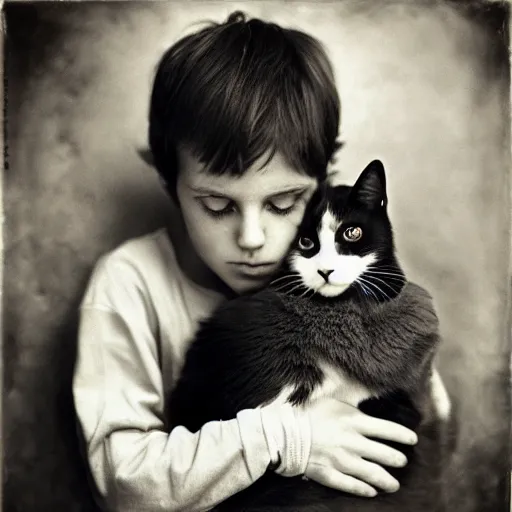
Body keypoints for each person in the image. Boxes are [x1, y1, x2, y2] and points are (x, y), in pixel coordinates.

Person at [73, 11, 418, 512]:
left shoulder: (346, 271)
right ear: (172, 185)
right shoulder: (130, 283)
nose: (252, 238)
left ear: (322, 183)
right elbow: (122, 481)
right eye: (217, 206)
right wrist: (285, 438)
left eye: (282, 204)